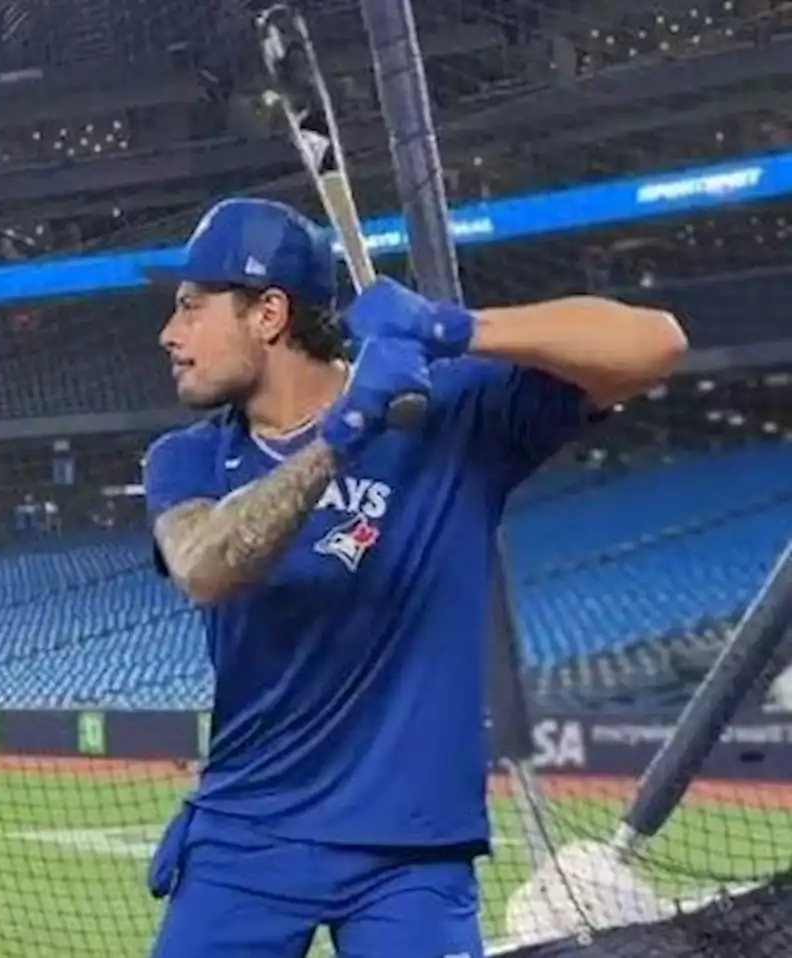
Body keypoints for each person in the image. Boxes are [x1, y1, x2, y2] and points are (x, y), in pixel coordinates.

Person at [139, 197, 687, 958]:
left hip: (413, 853)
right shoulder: (186, 457)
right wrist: (345, 434)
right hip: (245, 839)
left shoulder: (448, 408)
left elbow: (656, 343)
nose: (170, 334)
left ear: (268, 314)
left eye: (191, 308)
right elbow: (205, 568)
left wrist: (455, 329)